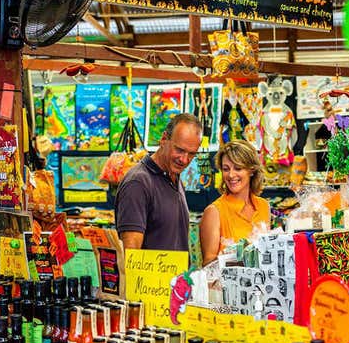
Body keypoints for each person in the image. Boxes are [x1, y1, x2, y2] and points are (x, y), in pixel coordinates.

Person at [115, 113, 203, 251]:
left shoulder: (174, 176)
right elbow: (131, 255)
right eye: (179, 150)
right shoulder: (138, 183)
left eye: (191, 154)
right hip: (151, 272)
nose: (184, 160)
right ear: (163, 139)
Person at [199, 140, 271, 265]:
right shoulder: (214, 211)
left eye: (238, 168)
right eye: (226, 169)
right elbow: (208, 265)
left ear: (252, 170)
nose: (231, 175)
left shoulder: (264, 206)